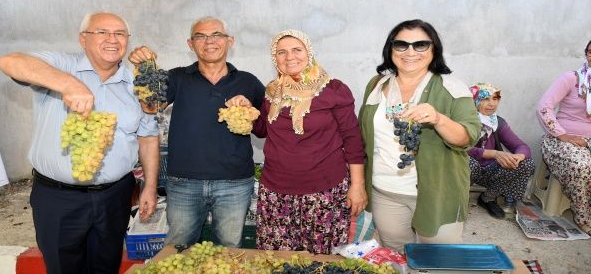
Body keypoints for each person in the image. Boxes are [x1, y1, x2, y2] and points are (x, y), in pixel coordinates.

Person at [0, 12, 160, 274]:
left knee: (106, 267)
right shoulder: (62, 66)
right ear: (83, 39)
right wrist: (68, 84)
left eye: (120, 34)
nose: (112, 39)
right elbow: (10, 61)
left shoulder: (136, 85)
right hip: (59, 199)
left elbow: (148, 137)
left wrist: (149, 187)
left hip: (114, 197)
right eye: (102, 32)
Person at [128, 16, 266, 247]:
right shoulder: (176, 77)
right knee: (178, 248)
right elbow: (150, 106)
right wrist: (143, 68)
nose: (208, 41)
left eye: (216, 35)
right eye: (200, 36)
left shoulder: (248, 82)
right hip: (184, 183)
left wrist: (250, 111)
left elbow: (265, 127)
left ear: (229, 41)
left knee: (229, 251)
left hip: (234, 183)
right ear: (190, 44)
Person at [227, 29, 367, 254]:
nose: (289, 56)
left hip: (324, 192)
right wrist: (247, 111)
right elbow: (263, 130)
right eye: (281, 52)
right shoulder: (273, 91)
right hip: (276, 192)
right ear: (275, 59)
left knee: (321, 261)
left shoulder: (334, 90)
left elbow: (352, 140)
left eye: (296, 50)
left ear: (308, 52)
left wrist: (358, 186)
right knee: (278, 259)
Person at [358, 19, 480, 252]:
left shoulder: (452, 87)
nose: (410, 52)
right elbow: (362, 135)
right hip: (385, 192)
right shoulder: (376, 85)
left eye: (420, 45)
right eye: (401, 45)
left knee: (438, 259)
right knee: (394, 253)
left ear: (434, 49)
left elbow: (467, 137)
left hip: (437, 194)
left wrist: (439, 119)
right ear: (390, 49)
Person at [536, 40, 591, 235]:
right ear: (586, 54)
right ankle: (583, 217)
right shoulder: (572, 79)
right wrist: (562, 134)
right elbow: (544, 107)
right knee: (582, 166)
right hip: (563, 137)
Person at [467, 83, 535, 219]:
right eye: (486, 99)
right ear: (475, 100)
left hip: (490, 171)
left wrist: (518, 157)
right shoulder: (465, 120)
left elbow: (522, 146)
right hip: (467, 170)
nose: (492, 104)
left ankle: (488, 198)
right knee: (467, 162)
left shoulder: (497, 122)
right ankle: (456, 198)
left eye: (495, 98)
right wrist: (494, 154)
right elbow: (462, 149)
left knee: (527, 163)